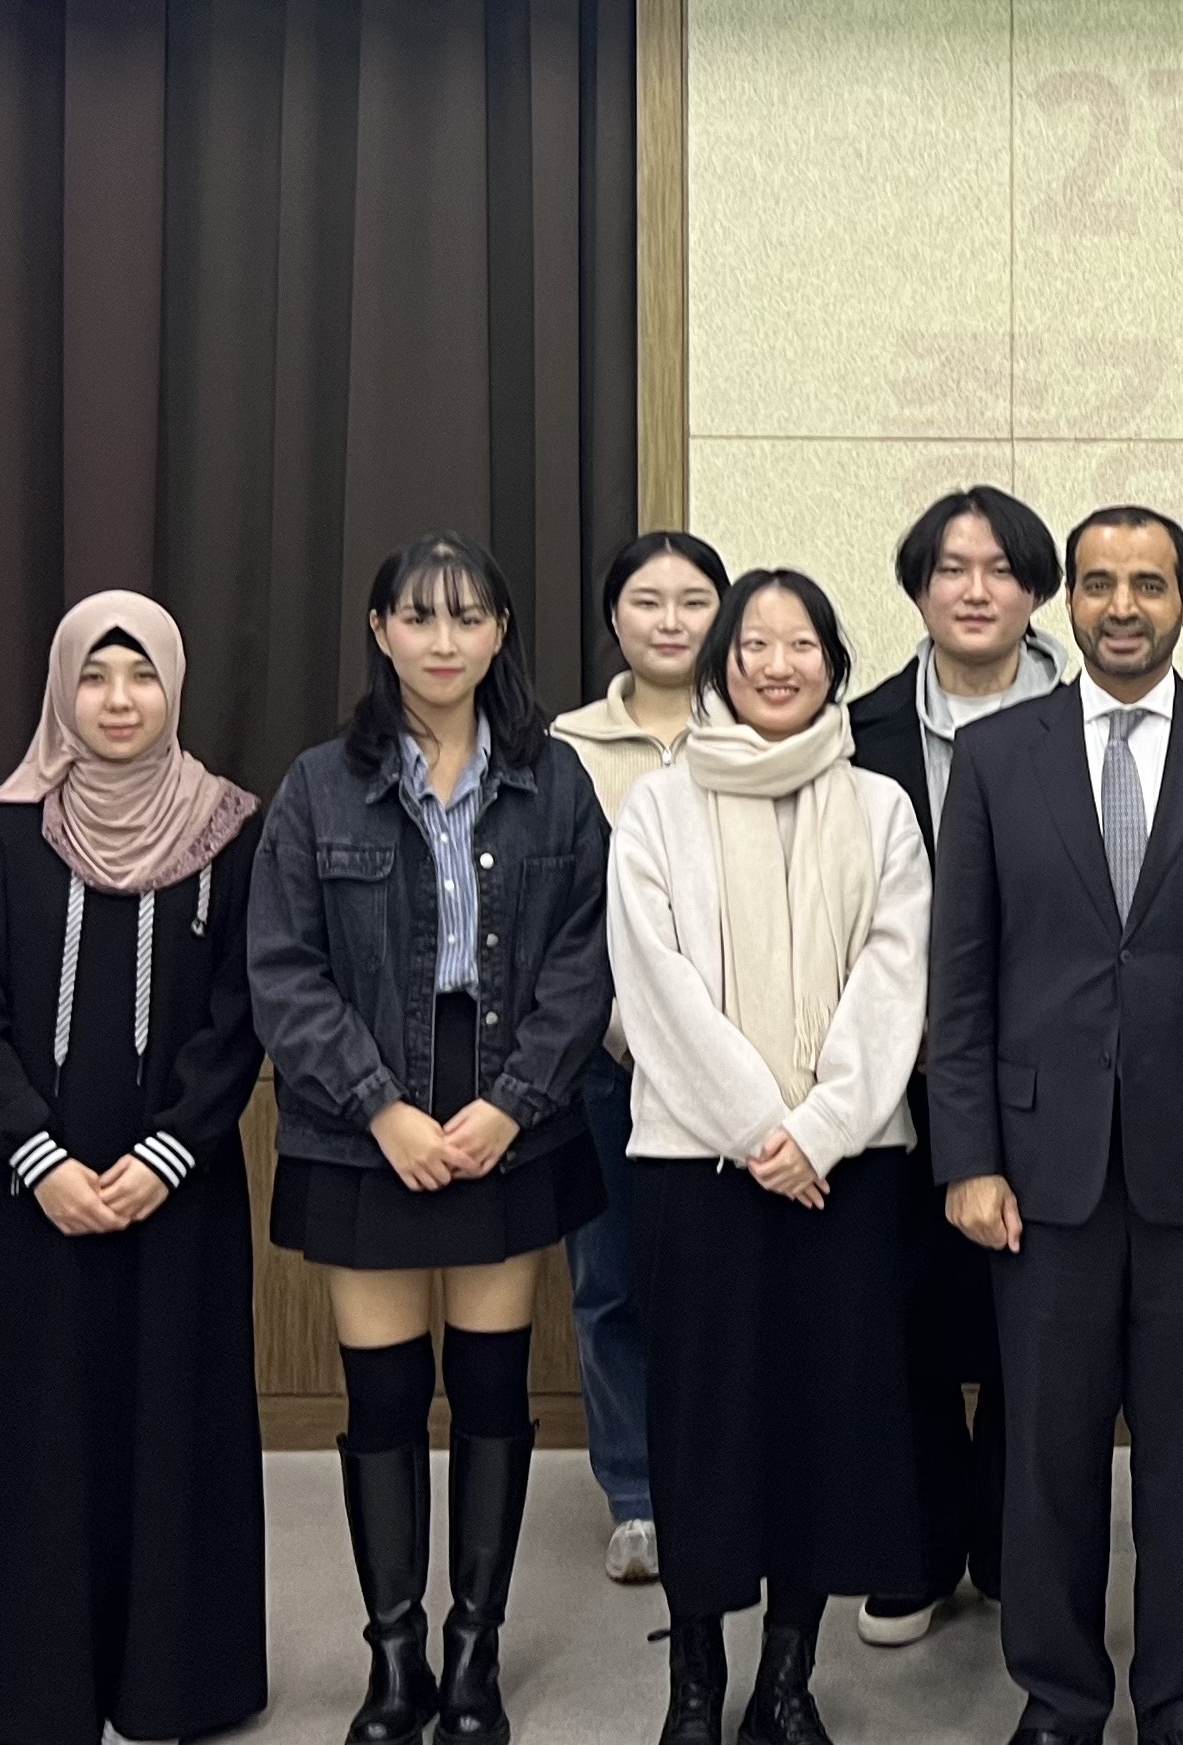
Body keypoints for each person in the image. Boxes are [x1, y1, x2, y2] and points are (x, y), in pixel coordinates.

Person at [927, 506, 1183, 1745]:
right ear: (1070, 602)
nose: (1122, 606)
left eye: (1148, 584)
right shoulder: (997, 755)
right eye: (1098, 583)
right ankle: (1057, 1694)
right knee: (1047, 1453)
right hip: (1039, 1166)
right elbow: (960, 978)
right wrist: (968, 1158)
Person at [255, 534, 616, 1745]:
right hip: (363, 1114)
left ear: (502, 630)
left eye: (468, 616)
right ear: (380, 631)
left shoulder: (555, 780)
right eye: (419, 617)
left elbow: (588, 955)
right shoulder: (318, 786)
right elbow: (282, 972)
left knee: (492, 1389)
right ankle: (394, 1661)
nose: (444, 640)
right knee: (385, 1397)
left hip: (509, 1102)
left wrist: (514, 1100)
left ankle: (475, 1655)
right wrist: (379, 1105)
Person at [0, 592, 270, 1745]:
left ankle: (173, 1684)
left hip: (178, 1191)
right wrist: (38, 1157)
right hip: (31, 1197)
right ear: (63, 691)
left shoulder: (229, 832)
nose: (119, 701)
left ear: (176, 687)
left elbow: (240, 1015)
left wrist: (169, 1152)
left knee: (173, 1425)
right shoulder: (5, 836)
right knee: (32, 1430)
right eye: (96, 677)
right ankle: (22, 1686)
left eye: (142, 675)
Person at [607, 568, 937, 1745]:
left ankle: (785, 1682)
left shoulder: (880, 808)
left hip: (847, 1169)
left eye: (802, 645)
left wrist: (821, 1130)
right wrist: (760, 1131)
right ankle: (695, 1682)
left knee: (823, 1422)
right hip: (696, 1167)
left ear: (834, 665)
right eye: (754, 645)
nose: (778, 664)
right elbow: (654, 988)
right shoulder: (658, 807)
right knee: (703, 1425)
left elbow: (895, 981)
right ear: (723, 664)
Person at [845, 484, 1069, 1647]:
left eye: (1001, 569)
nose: (975, 591)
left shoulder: (1097, 718)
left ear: (1037, 590)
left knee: (1038, 1315)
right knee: (903, 1318)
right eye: (950, 568)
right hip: (898, 1076)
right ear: (918, 587)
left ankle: (1014, 1539)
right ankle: (919, 1549)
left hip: (1057, 1074)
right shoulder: (858, 731)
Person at [554, 530, 734, 1589]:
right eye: (647, 601)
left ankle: (729, 1480)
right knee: (611, 1278)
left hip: (735, 1061)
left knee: (728, 1281)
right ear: (613, 618)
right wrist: (615, 1029)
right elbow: (557, 915)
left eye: (695, 599)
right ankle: (635, 1493)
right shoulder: (562, 746)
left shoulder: (760, 728)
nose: (671, 620)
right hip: (604, 1056)